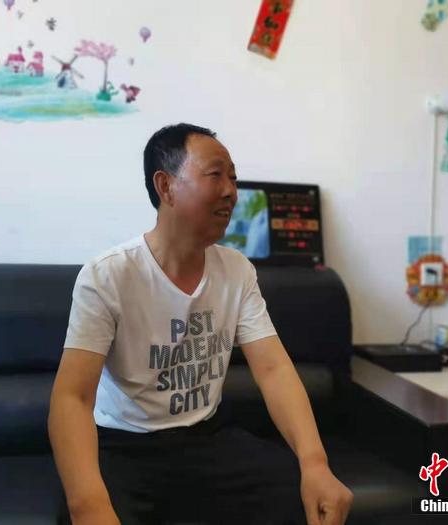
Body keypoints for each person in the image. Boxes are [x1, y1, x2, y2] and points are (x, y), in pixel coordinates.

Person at [48, 123, 353, 525]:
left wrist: (315, 463)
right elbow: (72, 398)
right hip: (123, 446)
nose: (230, 191)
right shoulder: (108, 275)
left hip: (207, 437)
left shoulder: (237, 271)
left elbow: (274, 369)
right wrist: (88, 504)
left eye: (233, 178)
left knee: (298, 498)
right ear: (166, 186)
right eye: (215, 175)